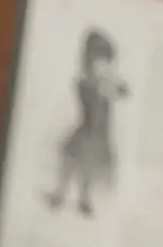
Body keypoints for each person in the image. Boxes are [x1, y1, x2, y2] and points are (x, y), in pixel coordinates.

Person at [45, 27, 127, 216]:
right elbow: (88, 103)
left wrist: (113, 84)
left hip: (101, 134)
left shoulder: (107, 83)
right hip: (87, 130)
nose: (103, 67)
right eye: (99, 62)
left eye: (107, 62)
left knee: (91, 168)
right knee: (70, 160)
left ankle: (84, 199)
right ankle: (60, 193)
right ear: (89, 61)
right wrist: (103, 88)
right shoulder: (84, 82)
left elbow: (124, 92)